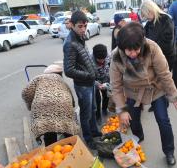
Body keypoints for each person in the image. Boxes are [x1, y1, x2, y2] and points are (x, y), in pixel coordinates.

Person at [110, 22, 177, 166]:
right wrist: (122, 110)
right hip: (133, 91)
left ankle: (169, 151)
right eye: (128, 50)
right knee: (133, 119)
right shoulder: (116, 56)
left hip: (155, 88)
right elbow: (116, 85)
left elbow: (164, 74)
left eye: (136, 49)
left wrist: (175, 98)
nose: (132, 53)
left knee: (163, 120)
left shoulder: (152, 48)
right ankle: (138, 137)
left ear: (142, 43)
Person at [63, 11, 101, 149]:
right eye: (80, 26)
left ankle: (95, 132)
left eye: (85, 26)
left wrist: (94, 73)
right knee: (86, 114)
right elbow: (68, 70)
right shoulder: (70, 43)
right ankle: (88, 138)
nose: (83, 29)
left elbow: (85, 59)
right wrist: (88, 75)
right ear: (72, 25)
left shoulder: (80, 38)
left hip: (90, 83)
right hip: (82, 85)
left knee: (93, 109)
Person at [22, 63, 80, 146]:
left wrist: (30, 105)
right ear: (60, 74)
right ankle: (72, 150)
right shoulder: (62, 82)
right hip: (63, 106)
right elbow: (71, 99)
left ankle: (52, 151)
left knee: (49, 132)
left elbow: (25, 93)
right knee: (68, 132)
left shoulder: (38, 78)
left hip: (43, 109)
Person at [141, 0, 176, 71]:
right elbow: (143, 38)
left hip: (166, 58)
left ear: (151, 10)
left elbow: (168, 43)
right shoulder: (149, 23)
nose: (146, 17)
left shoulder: (166, 20)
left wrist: (152, 49)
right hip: (153, 58)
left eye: (146, 14)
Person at [92, 44, 111, 120]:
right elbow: (88, 77)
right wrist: (97, 84)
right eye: (99, 60)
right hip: (95, 81)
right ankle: (97, 115)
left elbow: (112, 68)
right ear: (94, 56)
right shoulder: (89, 61)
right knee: (97, 99)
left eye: (103, 59)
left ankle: (104, 109)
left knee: (106, 96)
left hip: (105, 79)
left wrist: (108, 82)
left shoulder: (108, 56)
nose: (102, 61)